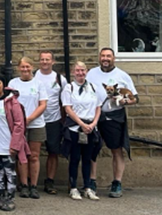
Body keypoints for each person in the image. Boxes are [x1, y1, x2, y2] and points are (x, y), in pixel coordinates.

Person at [85, 47, 138, 198]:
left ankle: (117, 183)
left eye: (108, 56)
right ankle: (92, 181)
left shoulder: (122, 75)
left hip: (114, 116)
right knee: (92, 148)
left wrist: (123, 101)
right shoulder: (91, 73)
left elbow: (135, 98)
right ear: (99, 58)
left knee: (116, 149)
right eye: (103, 56)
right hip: (94, 115)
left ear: (114, 58)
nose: (105, 59)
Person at [0, 74, 29, 212]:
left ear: (3, 84)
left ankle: (10, 199)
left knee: (9, 173)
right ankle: (0, 197)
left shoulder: (12, 102)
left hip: (8, 144)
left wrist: (15, 145)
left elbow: (19, 125)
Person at [60, 61, 102, 201]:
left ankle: (88, 188)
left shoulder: (93, 87)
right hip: (75, 128)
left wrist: (93, 123)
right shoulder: (69, 88)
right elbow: (68, 109)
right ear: (73, 72)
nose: (80, 73)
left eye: (83, 70)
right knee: (75, 158)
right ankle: (73, 188)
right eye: (77, 70)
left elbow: (98, 107)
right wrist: (81, 123)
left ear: (86, 71)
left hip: (90, 128)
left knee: (87, 158)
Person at [8, 57, 48, 199]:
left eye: (28, 67)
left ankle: (34, 186)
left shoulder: (39, 84)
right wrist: (19, 121)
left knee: (34, 156)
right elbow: (9, 104)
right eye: (22, 67)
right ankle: (23, 185)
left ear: (32, 67)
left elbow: (43, 104)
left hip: (36, 124)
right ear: (19, 68)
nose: (25, 69)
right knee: (21, 156)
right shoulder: (13, 83)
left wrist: (29, 118)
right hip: (19, 126)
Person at [33, 50, 68, 195]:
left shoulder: (60, 79)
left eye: (47, 59)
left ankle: (50, 181)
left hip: (54, 120)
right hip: (35, 120)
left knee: (53, 152)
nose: (45, 62)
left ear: (53, 62)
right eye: (42, 59)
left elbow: (65, 100)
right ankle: (29, 181)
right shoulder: (33, 76)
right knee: (31, 153)